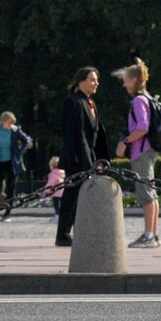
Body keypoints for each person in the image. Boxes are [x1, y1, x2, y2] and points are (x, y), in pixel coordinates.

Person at [112, 60, 161, 249]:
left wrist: (124, 142)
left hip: (141, 152)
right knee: (151, 193)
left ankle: (149, 236)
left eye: (125, 81)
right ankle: (153, 234)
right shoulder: (146, 98)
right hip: (148, 151)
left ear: (134, 80)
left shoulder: (138, 100)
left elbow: (142, 127)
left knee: (146, 193)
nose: (124, 85)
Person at [57, 67, 108, 247]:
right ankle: (62, 234)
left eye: (97, 80)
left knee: (82, 198)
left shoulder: (91, 103)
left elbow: (96, 134)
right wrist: (83, 161)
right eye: (92, 80)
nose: (96, 83)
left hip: (89, 157)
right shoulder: (73, 102)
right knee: (71, 197)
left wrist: (100, 159)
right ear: (81, 81)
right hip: (77, 159)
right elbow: (75, 135)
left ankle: (79, 232)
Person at [0, 112, 32, 222]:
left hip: (12, 163)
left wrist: (19, 153)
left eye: (12, 122)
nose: (11, 124)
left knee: (11, 189)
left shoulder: (15, 130)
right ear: (3, 121)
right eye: (9, 122)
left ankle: (7, 214)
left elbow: (26, 141)